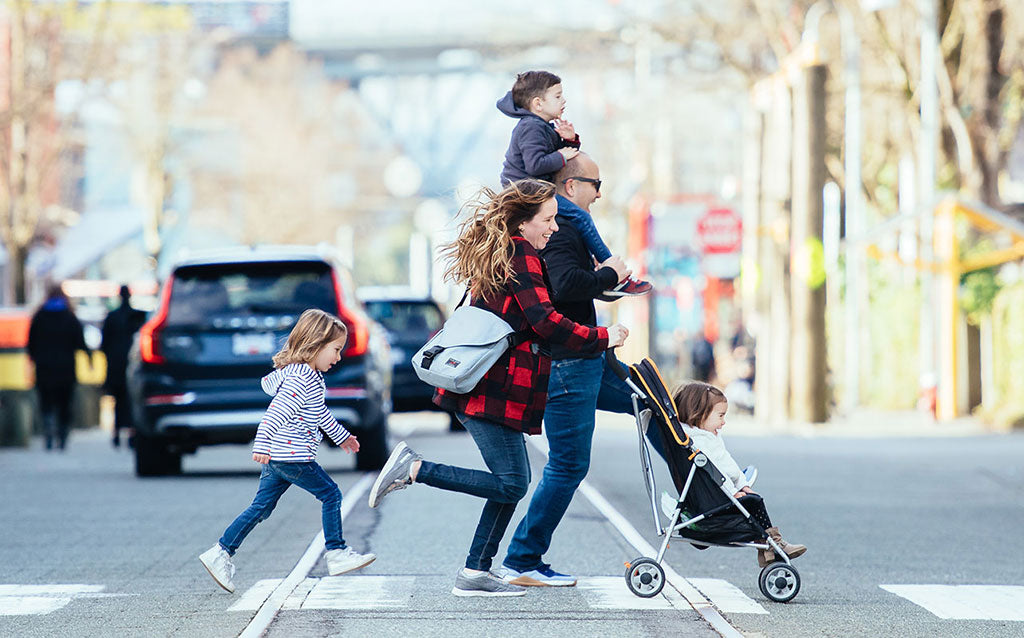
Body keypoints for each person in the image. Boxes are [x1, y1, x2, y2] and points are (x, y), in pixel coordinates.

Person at [366, 179, 628, 598]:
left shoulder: (512, 251)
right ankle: (415, 468)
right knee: (512, 483)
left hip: (497, 389)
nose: (555, 229)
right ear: (522, 222)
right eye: (548, 220)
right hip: (487, 389)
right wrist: (603, 337)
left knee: (512, 481)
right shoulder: (520, 254)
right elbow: (544, 320)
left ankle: (475, 572)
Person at [495, 154, 654, 587]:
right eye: (595, 184)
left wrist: (607, 283)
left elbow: (569, 289)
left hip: (588, 359)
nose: (600, 193)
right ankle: (522, 559)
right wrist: (605, 275)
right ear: (571, 186)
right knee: (567, 466)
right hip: (569, 362)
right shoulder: (558, 231)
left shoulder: (560, 229)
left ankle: (702, 497)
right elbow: (562, 288)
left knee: (655, 406)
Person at [199, 309, 375, 593]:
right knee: (331, 494)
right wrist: (262, 444)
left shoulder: (308, 377)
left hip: (280, 457)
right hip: (291, 456)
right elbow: (274, 414)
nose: (338, 357)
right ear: (315, 345)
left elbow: (321, 415)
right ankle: (336, 552)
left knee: (261, 508)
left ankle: (220, 553)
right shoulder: (301, 381)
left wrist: (343, 438)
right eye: (335, 350)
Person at [497, 70, 651, 298]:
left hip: (534, 190)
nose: (564, 100)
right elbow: (535, 164)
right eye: (558, 96)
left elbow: (565, 163)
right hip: (526, 192)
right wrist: (562, 154)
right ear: (538, 103)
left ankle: (607, 270)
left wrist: (569, 140)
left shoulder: (541, 127)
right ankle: (611, 268)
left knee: (578, 217)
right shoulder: (530, 127)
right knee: (581, 217)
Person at [673, 381, 807, 567]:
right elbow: (712, 474)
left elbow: (728, 465)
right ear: (699, 414)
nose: (723, 421)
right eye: (720, 415)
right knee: (754, 502)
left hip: (716, 494)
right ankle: (772, 544)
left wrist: (742, 484)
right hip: (714, 499)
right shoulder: (699, 442)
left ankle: (768, 548)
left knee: (751, 497)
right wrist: (732, 492)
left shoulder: (707, 437)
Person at [27, 283, 89, 451]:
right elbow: (80, 342)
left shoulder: (39, 317)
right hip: (66, 368)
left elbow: (31, 344)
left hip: (44, 367)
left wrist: (33, 358)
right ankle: (62, 434)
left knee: (46, 401)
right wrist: (88, 357)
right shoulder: (70, 317)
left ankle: (48, 429)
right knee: (64, 403)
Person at [100, 285, 146, 447]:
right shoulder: (138, 317)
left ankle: (117, 433)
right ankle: (133, 433)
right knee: (132, 399)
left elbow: (103, 344)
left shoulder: (112, 317)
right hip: (132, 364)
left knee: (118, 401)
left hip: (115, 365)